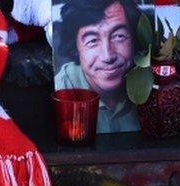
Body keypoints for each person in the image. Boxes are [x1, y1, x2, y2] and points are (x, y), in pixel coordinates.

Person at [55, 0, 142, 133]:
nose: (108, 56)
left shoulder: (149, 79)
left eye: (119, 36)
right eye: (93, 41)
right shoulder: (64, 89)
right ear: (75, 48)